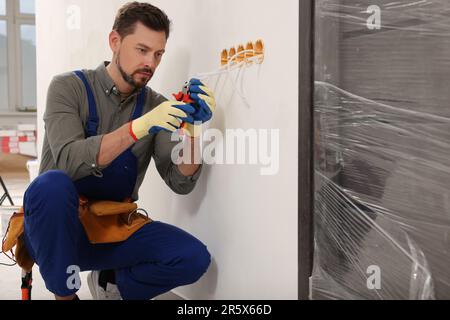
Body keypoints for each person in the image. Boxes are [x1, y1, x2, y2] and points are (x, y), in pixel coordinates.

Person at [22, 1, 215, 300]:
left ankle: (111, 283)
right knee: (51, 185)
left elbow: (180, 182)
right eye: (142, 50)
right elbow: (69, 162)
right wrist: (138, 128)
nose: (150, 62)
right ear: (115, 41)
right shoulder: (67, 88)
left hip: (110, 229)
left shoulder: (157, 107)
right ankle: (65, 295)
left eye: (158, 53)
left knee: (192, 257)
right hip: (56, 232)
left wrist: (192, 131)